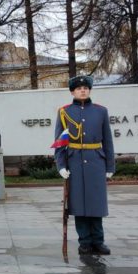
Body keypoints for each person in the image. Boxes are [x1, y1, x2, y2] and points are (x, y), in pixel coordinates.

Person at [53, 75, 115, 256]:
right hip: (75, 162)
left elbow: (108, 140)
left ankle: (98, 241)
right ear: (72, 91)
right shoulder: (64, 112)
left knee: (96, 205)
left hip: (96, 162)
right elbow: (59, 140)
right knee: (78, 205)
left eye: (86, 88)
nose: (83, 90)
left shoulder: (100, 111)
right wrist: (61, 165)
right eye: (79, 88)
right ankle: (85, 242)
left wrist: (110, 166)